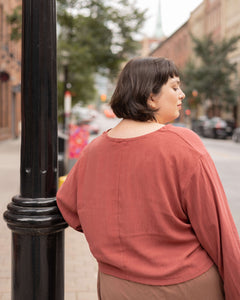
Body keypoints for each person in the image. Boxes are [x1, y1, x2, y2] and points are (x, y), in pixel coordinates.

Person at [57, 57, 240, 300]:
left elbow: (70, 209)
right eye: (174, 87)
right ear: (150, 96)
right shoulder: (183, 144)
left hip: (116, 286)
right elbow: (217, 229)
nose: (182, 94)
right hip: (183, 284)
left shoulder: (94, 150)